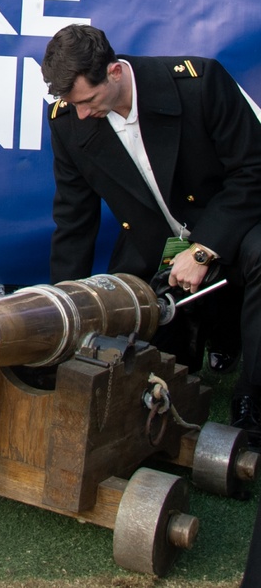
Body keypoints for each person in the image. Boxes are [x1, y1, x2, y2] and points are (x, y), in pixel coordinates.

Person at [41, 23, 261, 441]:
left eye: (88, 100)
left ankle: (253, 395)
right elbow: (74, 220)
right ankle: (210, 339)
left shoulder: (199, 82)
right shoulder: (68, 121)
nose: (83, 114)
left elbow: (253, 171)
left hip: (231, 223)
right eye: (73, 103)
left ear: (115, 73)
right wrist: (65, 308)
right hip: (154, 243)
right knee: (135, 339)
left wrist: (202, 250)